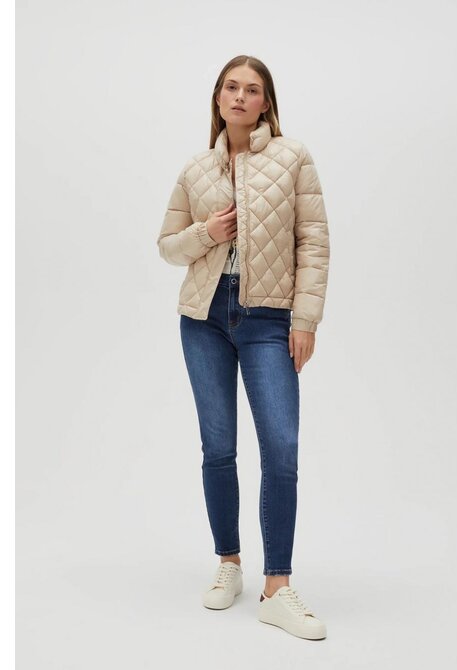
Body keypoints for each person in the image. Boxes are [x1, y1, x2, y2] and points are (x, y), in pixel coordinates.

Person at [156, 55, 330, 640]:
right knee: (218, 447)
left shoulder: (292, 157)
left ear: (265, 103)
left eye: (251, 90)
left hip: (269, 319)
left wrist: (305, 320)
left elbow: (313, 240)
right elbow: (167, 247)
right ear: (217, 97)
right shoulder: (196, 168)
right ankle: (228, 562)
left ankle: (277, 587)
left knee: (281, 447)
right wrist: (207, 232)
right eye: (230, 87)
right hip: (203, 318)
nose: (239, 97)